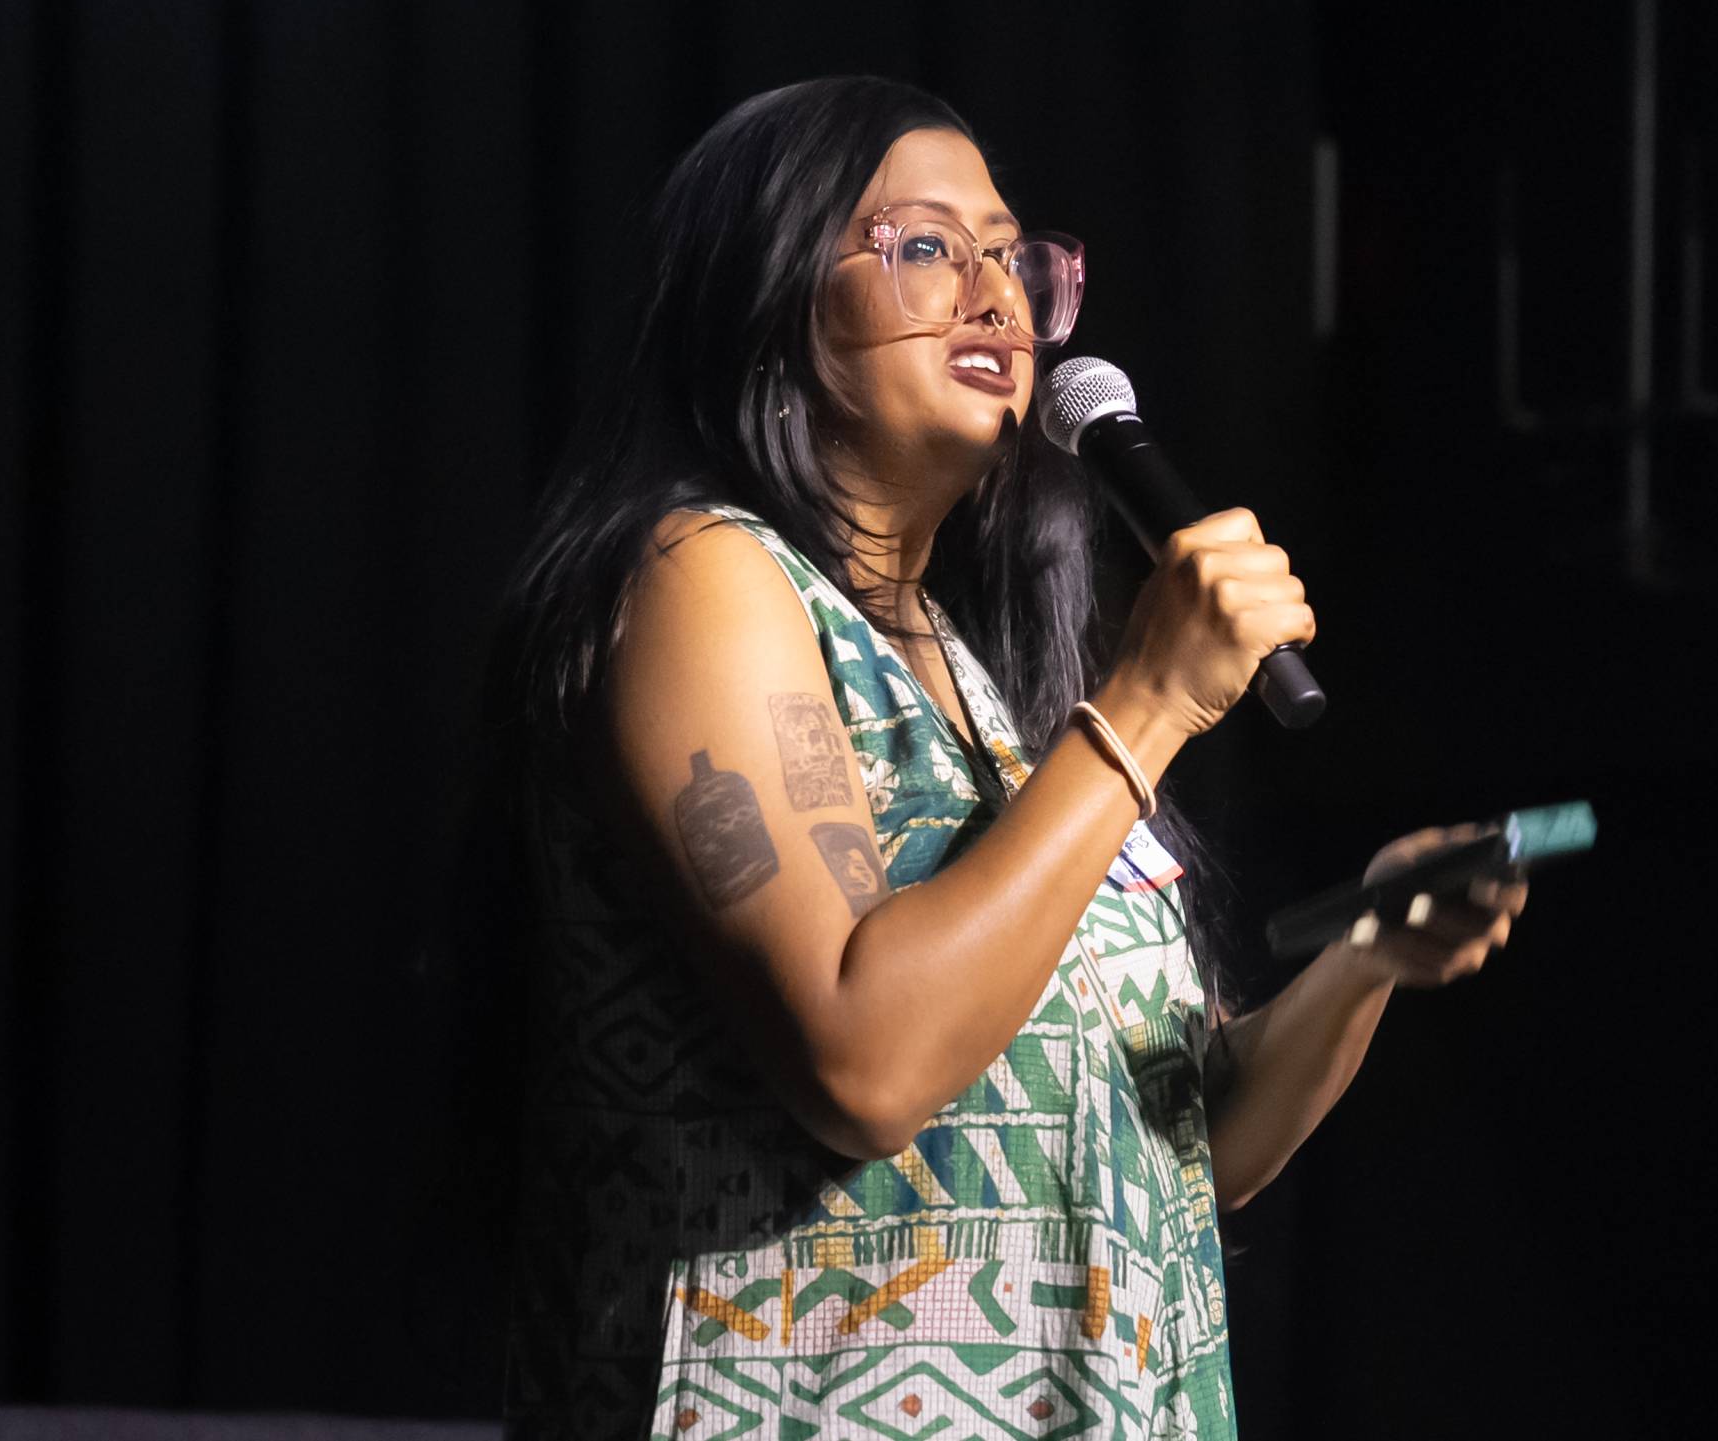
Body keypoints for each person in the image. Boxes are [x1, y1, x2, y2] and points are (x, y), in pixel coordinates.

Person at [484, 76, 1526, 1440]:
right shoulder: (699, 579)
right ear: (768, 290)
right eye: (927, 245)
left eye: (1015, 258)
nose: (998, 299)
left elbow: (1186, 1148)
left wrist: (1366, 956)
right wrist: (1148, 704)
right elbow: (865, 1060)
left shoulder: (985, 681)